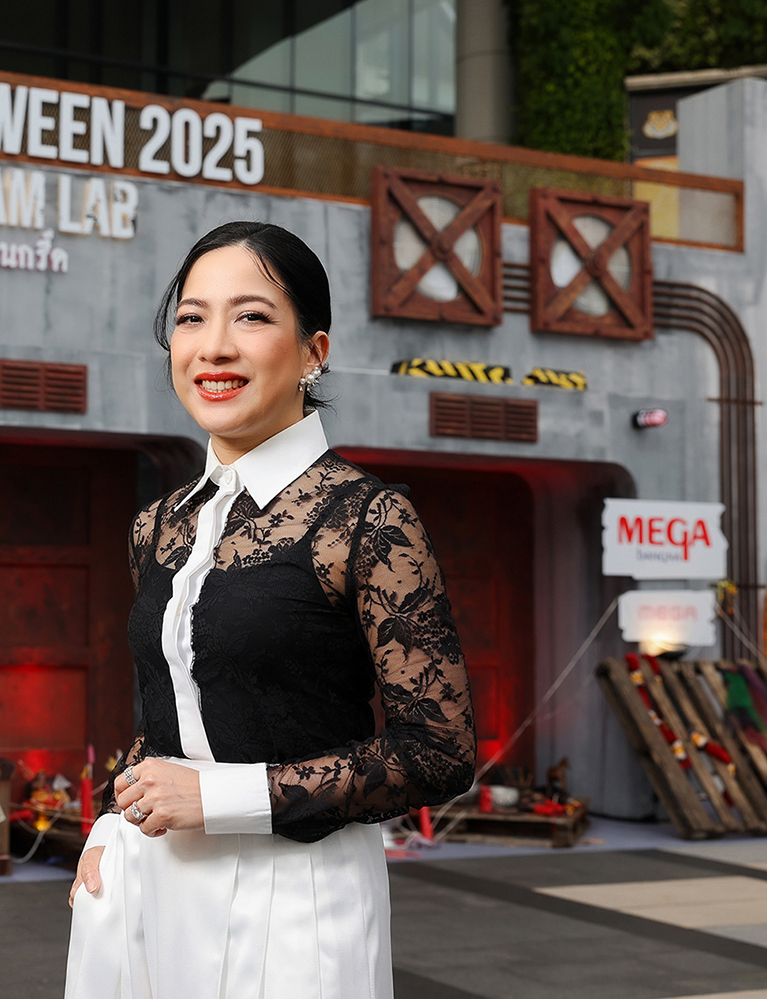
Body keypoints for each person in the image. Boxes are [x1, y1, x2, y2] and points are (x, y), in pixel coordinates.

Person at [63, 221, 475, 999]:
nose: (213, 347)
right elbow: (169, 710)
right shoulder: (157, 525)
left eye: (251, 316)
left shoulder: (369, 518)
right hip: (148, 877)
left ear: (313, 352)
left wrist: (219, 797)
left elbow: (439, 752)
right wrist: (111, 819)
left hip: (296, 890)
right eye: (192, 318)